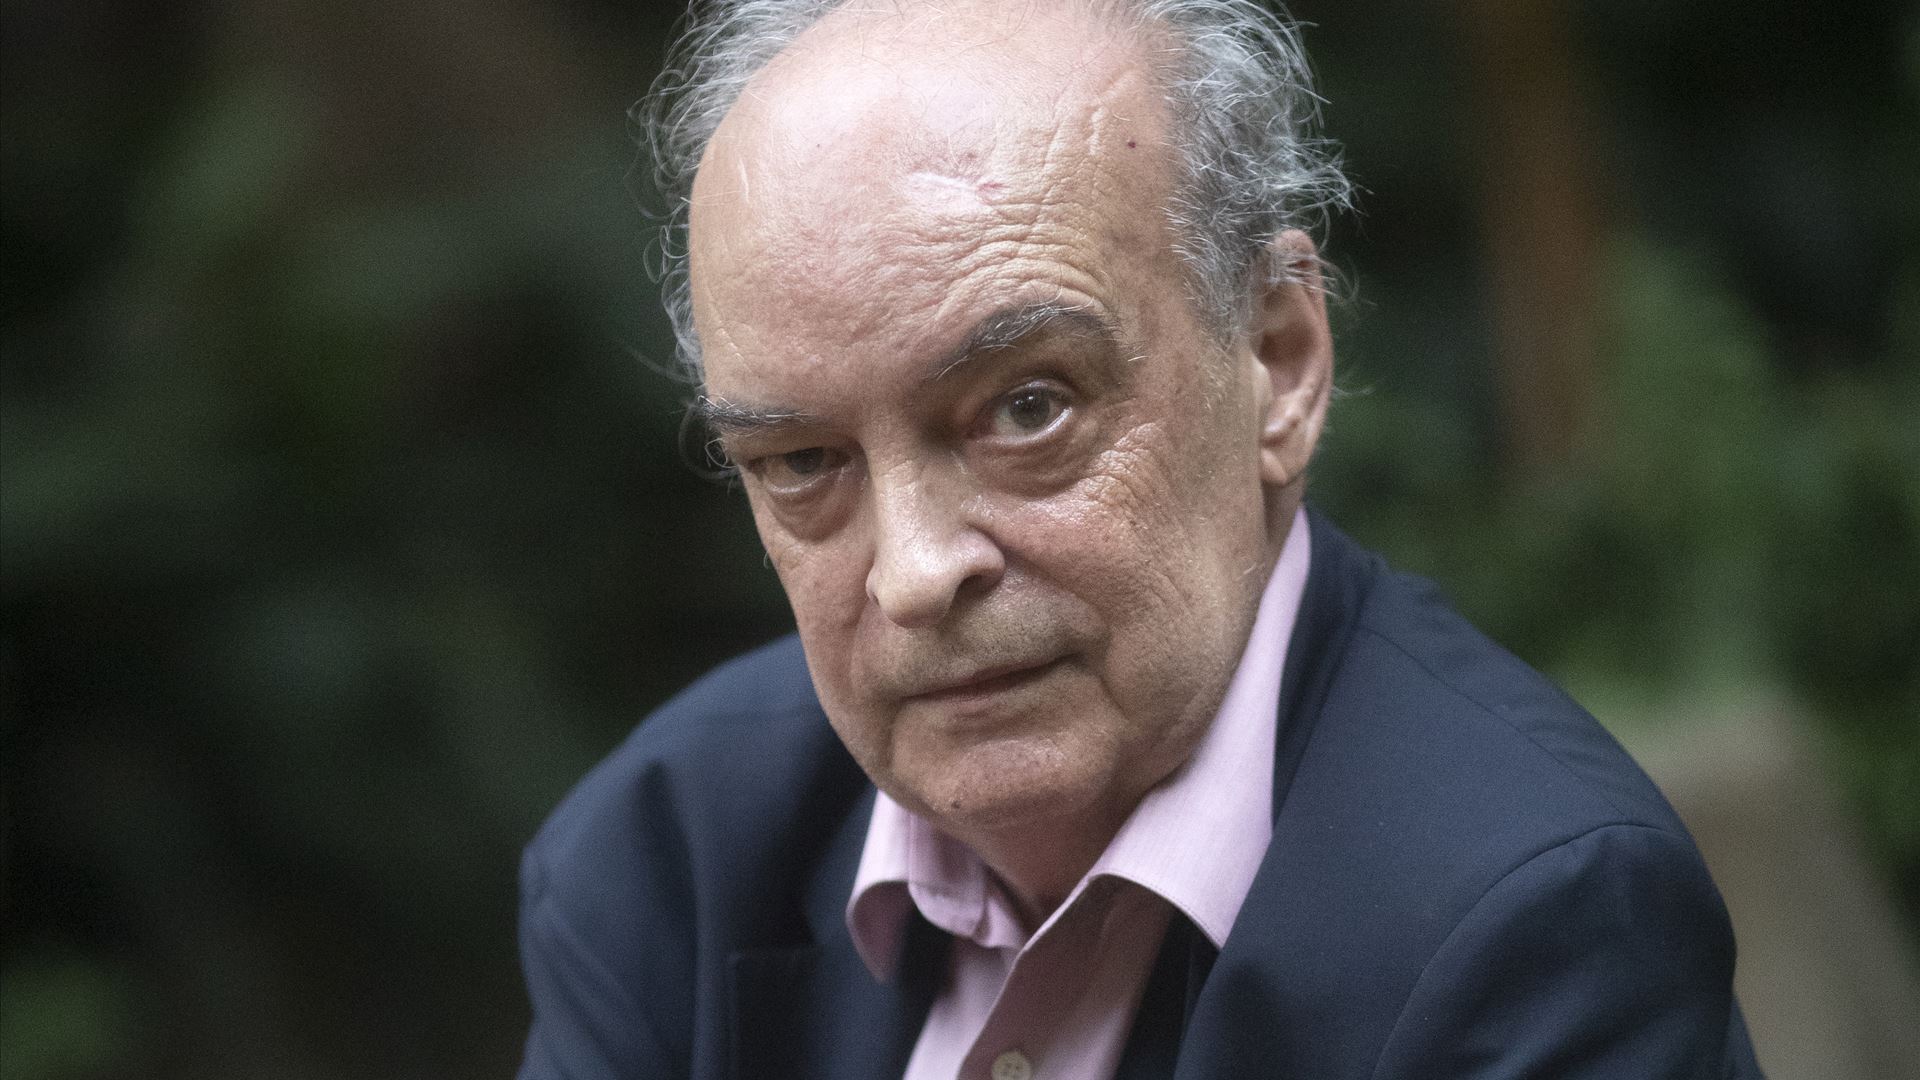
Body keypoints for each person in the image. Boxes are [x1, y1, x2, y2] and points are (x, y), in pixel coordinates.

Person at [517, 1, 1764, 1076]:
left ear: (1279, 360)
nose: (915, 573)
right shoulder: (663, 857)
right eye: (802, 463)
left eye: (1028, 409)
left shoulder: (1534, 922)